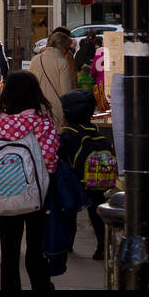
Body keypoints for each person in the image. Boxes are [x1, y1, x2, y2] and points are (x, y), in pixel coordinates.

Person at [0, 70, 59, 292]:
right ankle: (41, 285)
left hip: (6, 192)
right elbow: (49, 159)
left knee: (9, 253)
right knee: (36, 248)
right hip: (37, 194)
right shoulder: (43, 123)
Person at [57, 88, 110, 261]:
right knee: (96, 213)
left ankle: (68, 243)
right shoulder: (94, 131)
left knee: (69, 211)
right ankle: (102, 245)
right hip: (96, 180)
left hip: (74, 181)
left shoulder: (69, 133)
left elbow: (58, 153)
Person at [29, 28, 77, 127]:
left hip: (37, 109)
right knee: (55, 135)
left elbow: (29, 86)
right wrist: (68, 113)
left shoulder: (35, 59)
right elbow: (66, 92)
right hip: (56, 111)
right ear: (63, 48)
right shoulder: (63, 63)